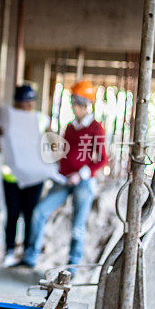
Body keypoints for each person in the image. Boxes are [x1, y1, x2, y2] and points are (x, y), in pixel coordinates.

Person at [21, 80, 108, 268]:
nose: (73, 107)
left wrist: (80, 174)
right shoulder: (70, 127)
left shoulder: (96, 128)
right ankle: (31, 256)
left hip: (83, 183)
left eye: (75, 103)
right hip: (63, 179)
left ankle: (73, 264)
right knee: (39, 213)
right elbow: (65, 153)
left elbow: (102, 159)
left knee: (78, 225)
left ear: (84, 104)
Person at [0, 84, 50, 267]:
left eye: (28, 103)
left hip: (34, 178)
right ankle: (9, 251)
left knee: (30, 214)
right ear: (16, 103)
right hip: (11, 177)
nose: (25, 107)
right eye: (22, 104)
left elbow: (48, 145)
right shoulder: (6, 120)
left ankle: (28, 253)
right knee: (12, 214)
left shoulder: (41, 120)